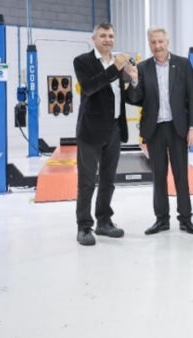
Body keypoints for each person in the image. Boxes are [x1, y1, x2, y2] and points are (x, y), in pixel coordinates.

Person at [126, 27, 193, 235]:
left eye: (160, 41)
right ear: (149, 44)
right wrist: (133, 81)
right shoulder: (142, 68)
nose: (157, 46)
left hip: (178, 129)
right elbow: (135, 99)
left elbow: (192, 97)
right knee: (159, 176)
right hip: (155, 129)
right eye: (153, 43)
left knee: (181, 176)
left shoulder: (183, 65)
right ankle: (162, 219)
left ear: (167, 42)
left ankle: (185, 218)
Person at [73, 21, 130, 246]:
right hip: (90, 130)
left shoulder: (119, 63)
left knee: (108, 179)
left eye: (111, 36)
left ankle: (104, 221)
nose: (108, 39)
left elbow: (123, 95)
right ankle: (84, 226)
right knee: (87, 181)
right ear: (94, 38)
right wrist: (115, 68)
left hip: (114, 128)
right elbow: (89, 87)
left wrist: (131, 76)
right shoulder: (83, 61)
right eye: (103, 35)